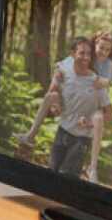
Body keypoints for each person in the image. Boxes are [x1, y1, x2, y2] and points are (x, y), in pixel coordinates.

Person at [25, 37, 103, 179]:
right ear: (72, 54)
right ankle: (30, 135)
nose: (86, 57)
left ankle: (93, 169)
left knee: (67, 177)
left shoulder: (95, 79)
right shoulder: (65, 65)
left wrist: (90, 123)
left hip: (81, 137)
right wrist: (56, 105)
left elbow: (105, 113)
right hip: (63, 129)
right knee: (52, 172)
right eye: (82, 53)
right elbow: (53, 88)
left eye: (88, 54)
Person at [86, 32, 112, 182]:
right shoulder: (87, 57)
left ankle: (92, 167)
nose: (103, 52)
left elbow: (106, 83)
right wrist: (99, 80)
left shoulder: (108, 64)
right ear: (95, 45)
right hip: (81, 98)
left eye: (107, 50)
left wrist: (99, 80)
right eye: (101, 47)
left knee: (98, 120)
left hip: (97, 103)